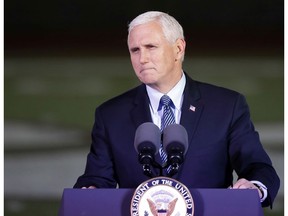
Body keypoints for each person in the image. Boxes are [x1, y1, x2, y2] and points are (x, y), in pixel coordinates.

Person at [74, 11, 280, 207]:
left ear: (179, 49)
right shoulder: (110, 115)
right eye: (135, 50)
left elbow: (258, 167)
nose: (142, 58)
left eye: (151, 47)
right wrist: (89, 189)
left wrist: (254, 187)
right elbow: (96, 178)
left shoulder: (227, 106)